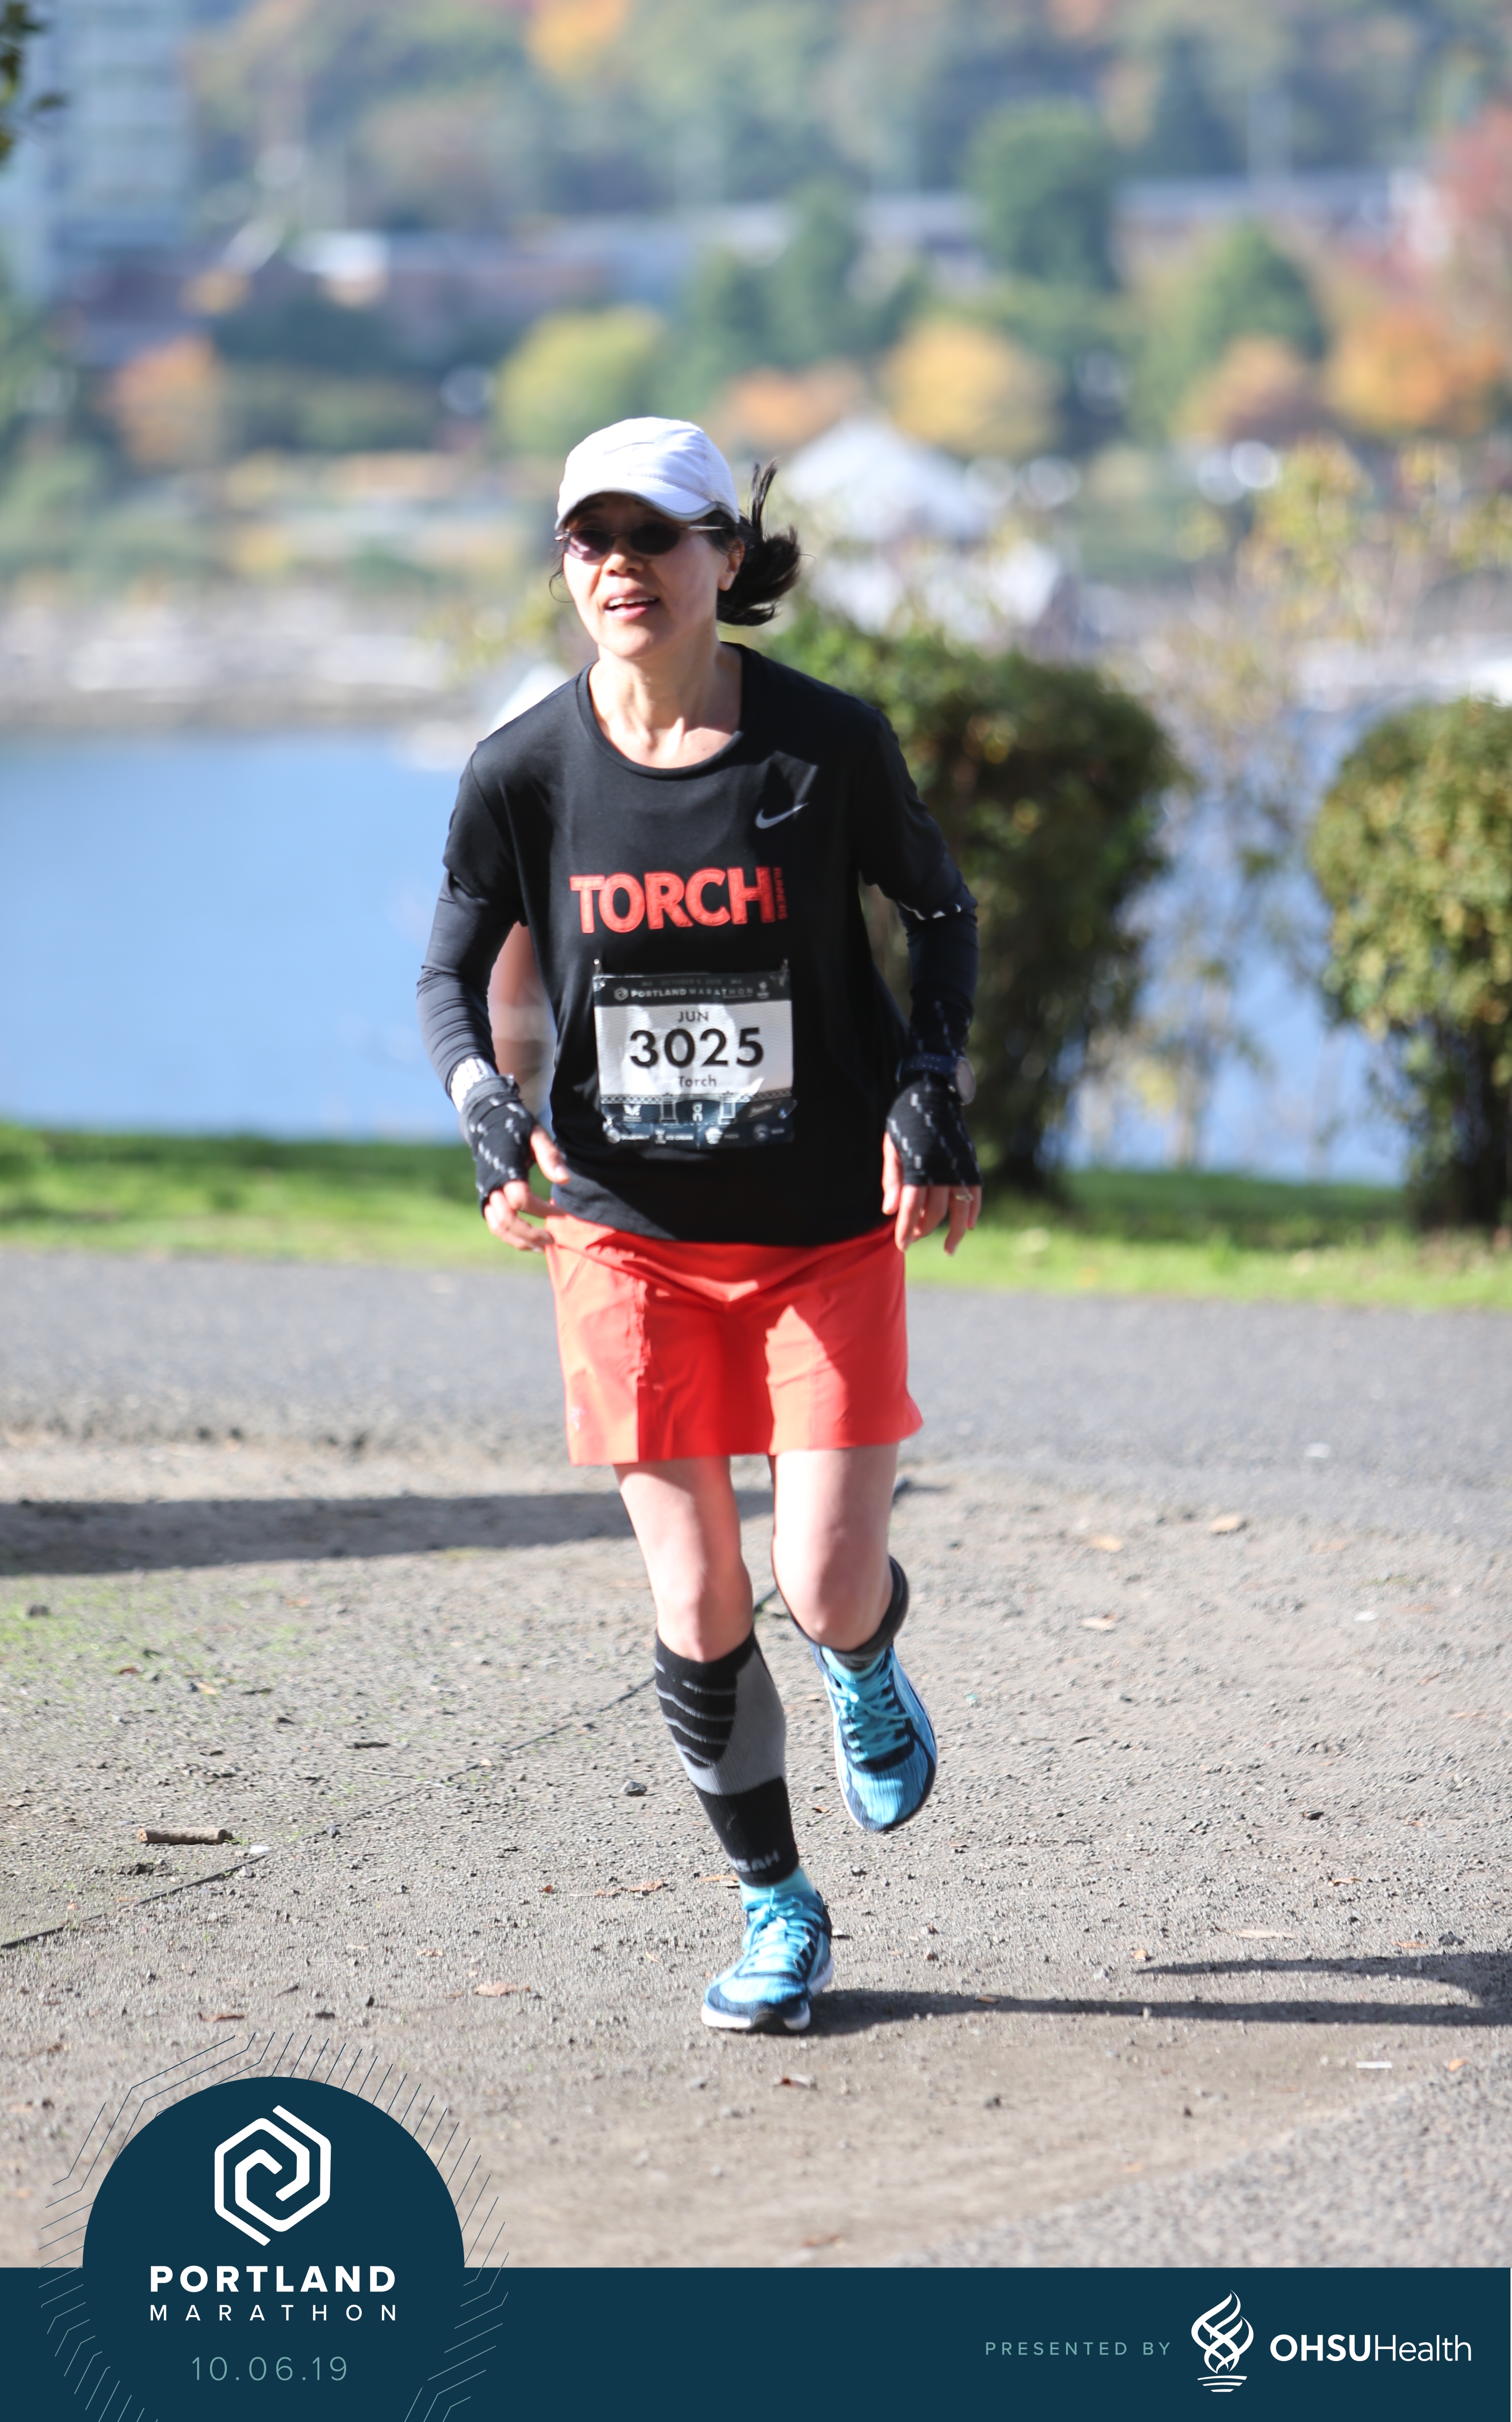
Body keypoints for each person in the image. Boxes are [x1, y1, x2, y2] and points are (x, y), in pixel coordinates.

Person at [417, 416, 981, 2034]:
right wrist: (481, 1101)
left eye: (654, 537)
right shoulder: (523, 768)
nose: (621, 568)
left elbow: (938, 910)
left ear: (723, 557)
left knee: (825, 1580)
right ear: (566, 567)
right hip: (624, 1228)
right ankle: (775, 1905)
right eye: (590, 541)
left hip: (820, 1225)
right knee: (698, 1592)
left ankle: (864, 1663)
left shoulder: (823, 744)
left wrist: (929, 1082)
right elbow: (450, 971)